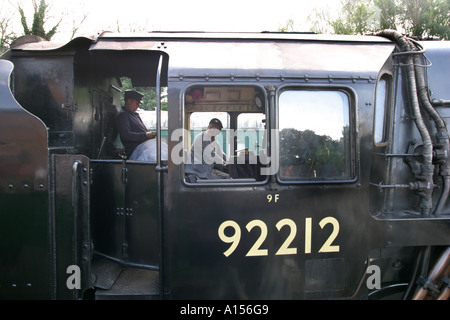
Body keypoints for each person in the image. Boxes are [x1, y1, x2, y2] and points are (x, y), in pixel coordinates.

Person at [116, 89, 156, 158]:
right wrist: (145, 135)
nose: (138, 106)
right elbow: (126, 135)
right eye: (136, 103)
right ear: (129, 101)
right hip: (136, 151)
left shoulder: (135, 115)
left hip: (144, 147)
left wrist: (149, 134)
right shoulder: (123, 115)